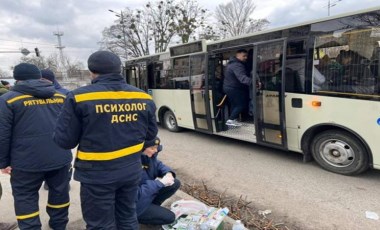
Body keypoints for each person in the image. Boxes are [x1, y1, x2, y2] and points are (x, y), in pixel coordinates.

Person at [53, 51, 158, 229]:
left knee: (101, 224)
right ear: (119, 70)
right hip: (131, 171)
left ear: (92, 71)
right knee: (127, 217)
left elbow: (65, 141)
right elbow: (150, 136)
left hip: (97, 175)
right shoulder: (144, 97)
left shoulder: (79, 97)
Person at [0, 63, 72, 230]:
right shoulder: (61, 97)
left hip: (25, 161)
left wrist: (3, 162)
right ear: (39, 76)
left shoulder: (7, 100)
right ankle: (59, 225)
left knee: (25, 197)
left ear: (17, 79)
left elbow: (2, 135)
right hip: (59, 156)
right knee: (60, 192)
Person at [137, 137, 181, 226]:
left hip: (146, 195)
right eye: (152, 148)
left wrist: (168, 173)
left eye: (157, 147)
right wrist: (160, 183)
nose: (156, 150)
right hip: (136, 205)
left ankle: (154, 207)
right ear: (142, 148)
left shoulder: (148, 156)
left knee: (175, 183)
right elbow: (136, 194)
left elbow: (158, 164)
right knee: (170, 217)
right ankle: (144, 219)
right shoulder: (131, 164)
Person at [40, 69, 71, 191]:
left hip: (60, 131)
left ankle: (65, 180)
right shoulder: (35, 93)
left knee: (63, 159)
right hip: (43, 131)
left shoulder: (65, 93)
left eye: (43, 79)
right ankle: (47, 181)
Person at [223, 49, 252, 127]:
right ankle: (231, 120)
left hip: (229, 87)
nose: (246, 58)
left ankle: (233, 120)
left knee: (234, 104)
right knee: (241, 104)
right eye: (244, 56)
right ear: (238, 55)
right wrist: (253, 82)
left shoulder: (231, 63)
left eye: (246, 56)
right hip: (234, 88)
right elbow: (242, 78)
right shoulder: (237, 65)